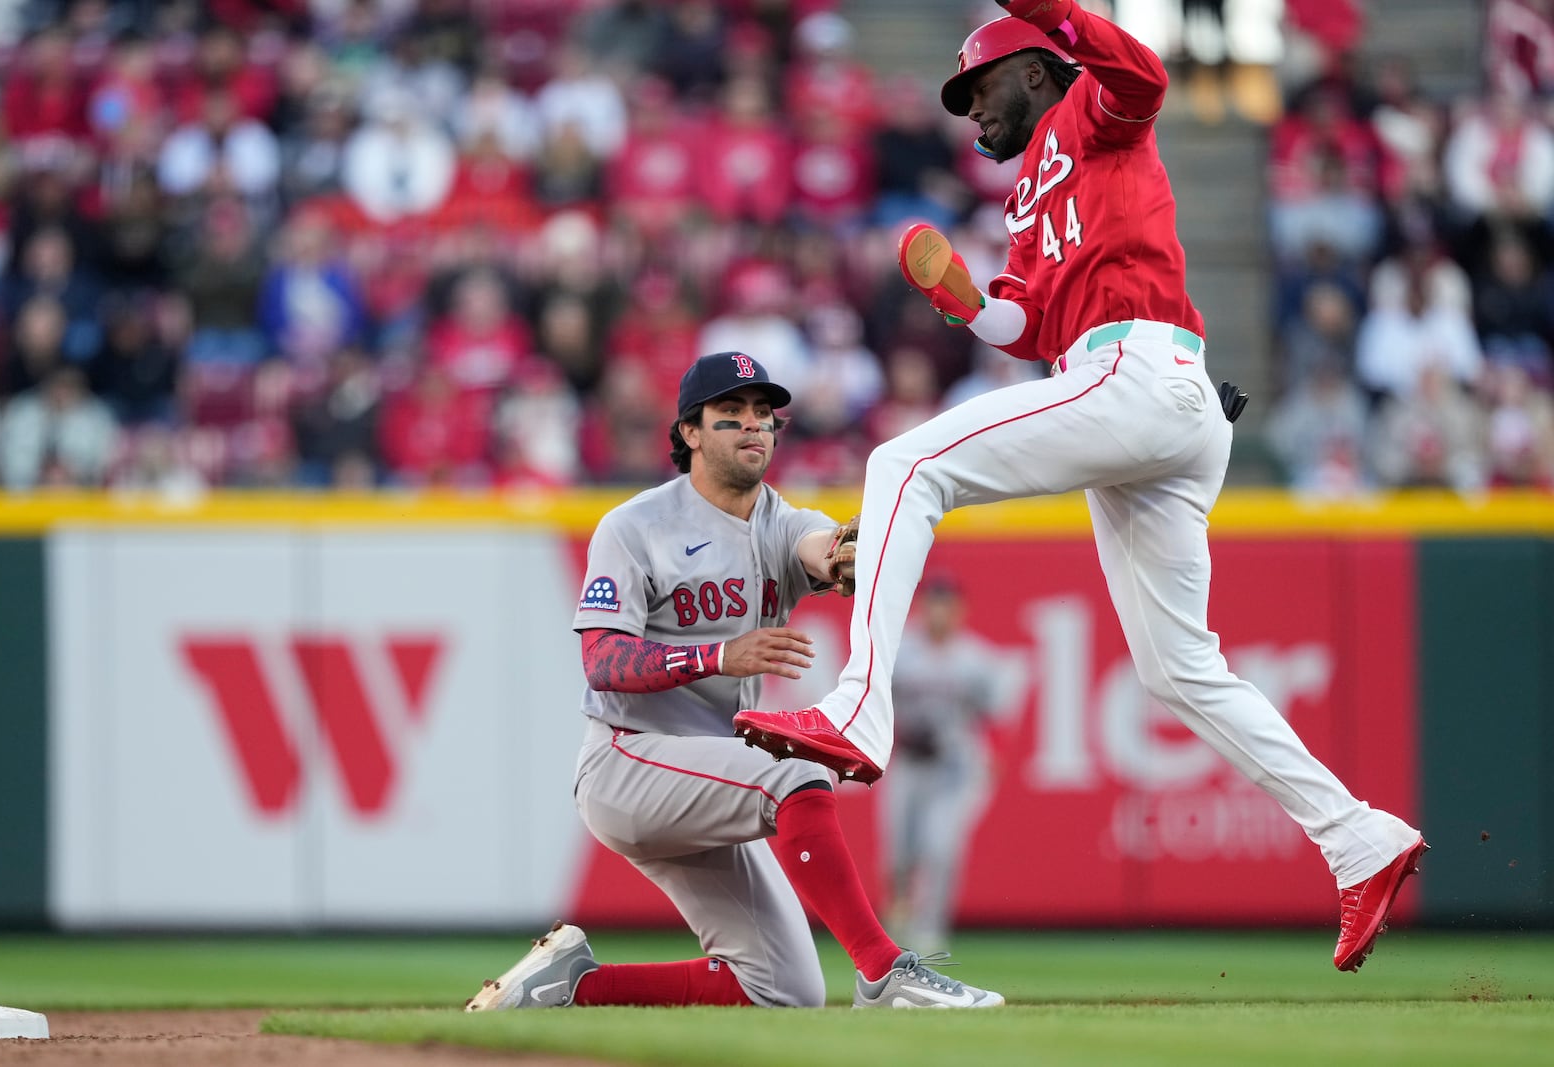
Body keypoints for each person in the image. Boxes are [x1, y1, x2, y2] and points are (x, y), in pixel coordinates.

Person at [733, 1, 1428, 974]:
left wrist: (1047, 12)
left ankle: (857, 703)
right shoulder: (1025, 199)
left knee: (902, 462)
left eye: (978, 89)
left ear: (1031, 69)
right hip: (1147, 398)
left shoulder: (1092, 112)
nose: (970, 114)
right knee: (1176, 667)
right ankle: (1356, 835)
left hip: (1135, 372)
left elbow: (1142, 71)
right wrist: (966, 305)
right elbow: (1023, 327)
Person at [466, 352, 1003, 1011]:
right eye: (732, 414)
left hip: (710, 774)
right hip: (627, 759)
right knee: (798, 774)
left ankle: (571, 985)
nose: (754, 426)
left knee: (785, 988)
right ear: (690, 431)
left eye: (764, 414)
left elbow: (820, 545)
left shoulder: (779, 519)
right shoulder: (635, 527)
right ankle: (886, 974)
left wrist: (846, 556)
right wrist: (718, 655)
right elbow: (602, 662)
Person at [881, 575, 1002, 953]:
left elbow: (992, 717)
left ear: (959, 611)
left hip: (953, 768)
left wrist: (991, 759)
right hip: (908, 762)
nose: (940, 612)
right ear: (922, 608)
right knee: (899, 852)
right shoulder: (900, 652)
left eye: (947, 605)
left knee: (940, 847)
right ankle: (897, 918)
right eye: (934, 604)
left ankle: (929, 932)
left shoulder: (976, 659)